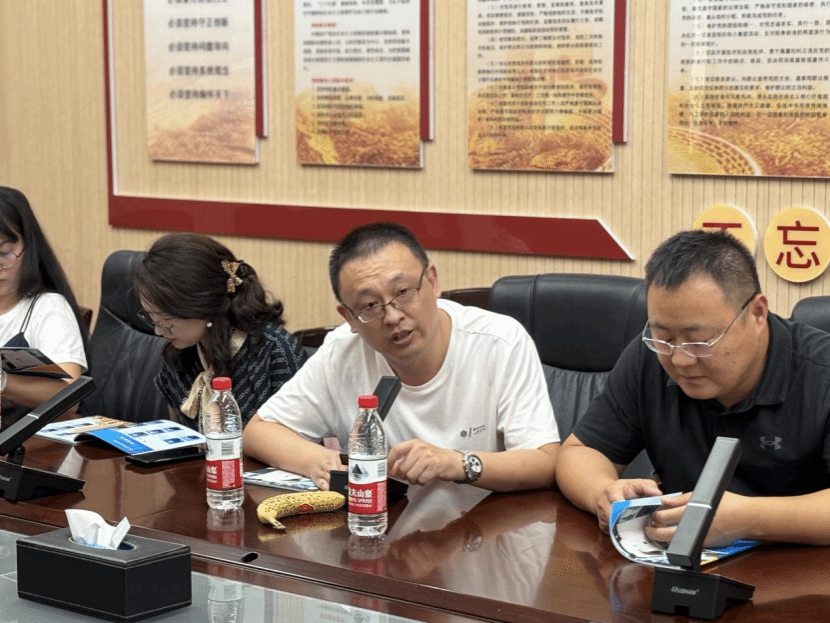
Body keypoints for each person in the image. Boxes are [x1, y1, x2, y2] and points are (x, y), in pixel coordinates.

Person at [556, 229, 830, 546]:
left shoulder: (821, 372)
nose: (680, 360)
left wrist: (748, 519)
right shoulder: (649, 356)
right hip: (679, 562)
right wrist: (603, 492)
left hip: (801, 568)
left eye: (699, 341)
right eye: (664, 337)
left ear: (756, 314)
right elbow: (580, 452)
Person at [243, 222, 559, 491]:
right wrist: (318, 461)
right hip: (379, 529)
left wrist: (457, 463)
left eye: (403, 292)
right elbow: (259, 431)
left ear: (432, 281)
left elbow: (544, 462)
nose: (393, 317)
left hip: (484, 530)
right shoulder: (342, 352)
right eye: (370, 306)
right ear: (349, 317)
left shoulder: (499, 341)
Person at [134, 233, 307, 430]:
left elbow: (296, 439)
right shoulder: (179, 353)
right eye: (151, 316)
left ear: (202, 306)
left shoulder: (276, 352)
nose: (158, 331)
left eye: (166, 320)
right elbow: (179, 435)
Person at [0, 187, 89, 413]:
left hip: (23, 432)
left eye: (4, 254)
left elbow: (70, 397)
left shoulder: (48, 308)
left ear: (29, 249)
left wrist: (3, 382)